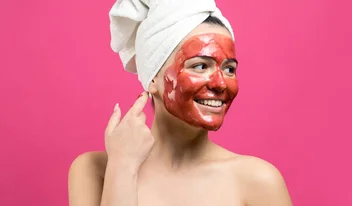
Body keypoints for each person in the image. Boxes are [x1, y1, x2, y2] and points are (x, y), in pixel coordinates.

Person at [67, 1, 293, 205]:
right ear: (153, 78)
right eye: (201, 66)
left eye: (229, 69)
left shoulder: (258, 181)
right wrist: (123, 168)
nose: (221, 83)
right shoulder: (95, 171)